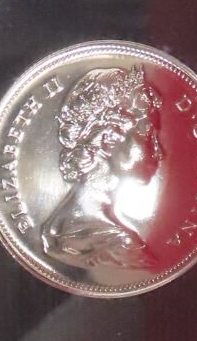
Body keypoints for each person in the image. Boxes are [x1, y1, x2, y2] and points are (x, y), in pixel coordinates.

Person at [40, 64, 164, 272]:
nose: (159, 152)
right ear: (107, 139)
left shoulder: (54, 232)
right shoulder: (122, 247)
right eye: (148, 133)